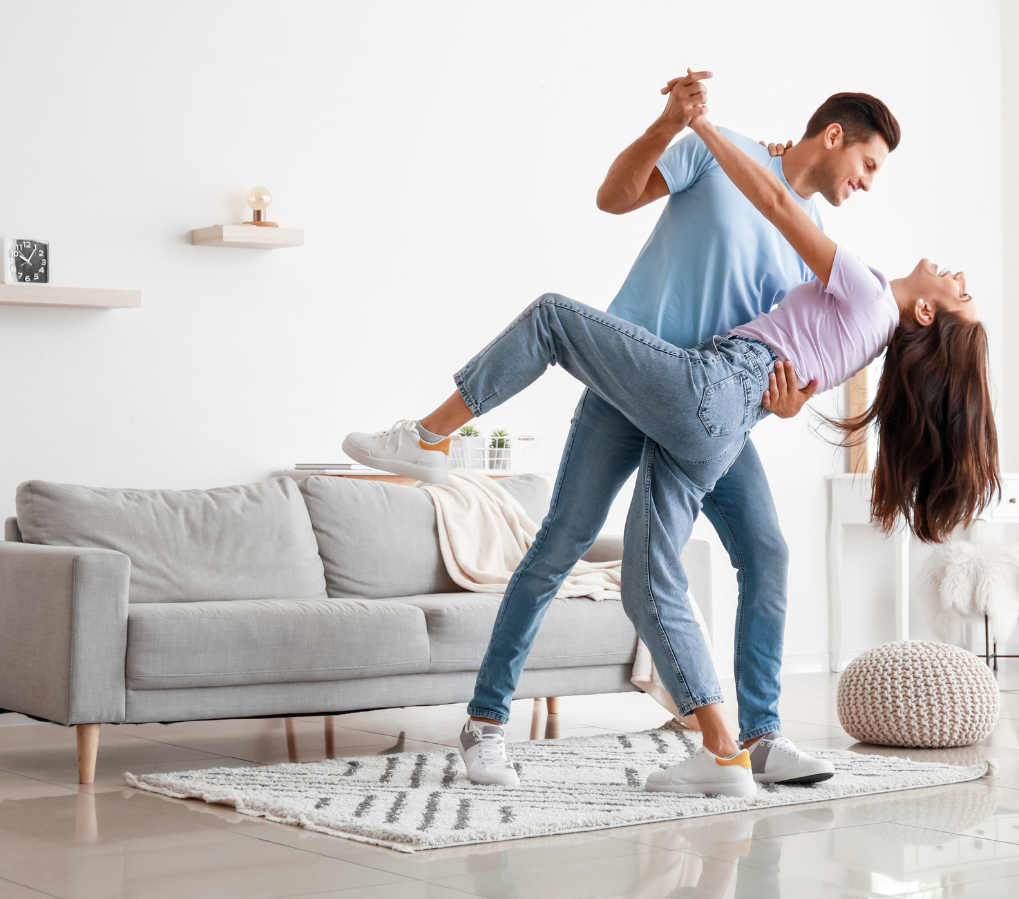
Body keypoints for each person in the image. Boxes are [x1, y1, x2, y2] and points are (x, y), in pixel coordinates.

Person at [344, 71, 895, 789]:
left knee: (767, 554)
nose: (868, 182)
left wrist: (786, 403)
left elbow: (782, 349)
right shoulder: (722, 150)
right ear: (833, 137)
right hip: (627, 381)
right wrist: (670, 125)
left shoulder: (812, 242)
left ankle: (759, 737)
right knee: (557, 549)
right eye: (868, 164)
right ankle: (485, 723)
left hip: (707, 413)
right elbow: (613, 198)